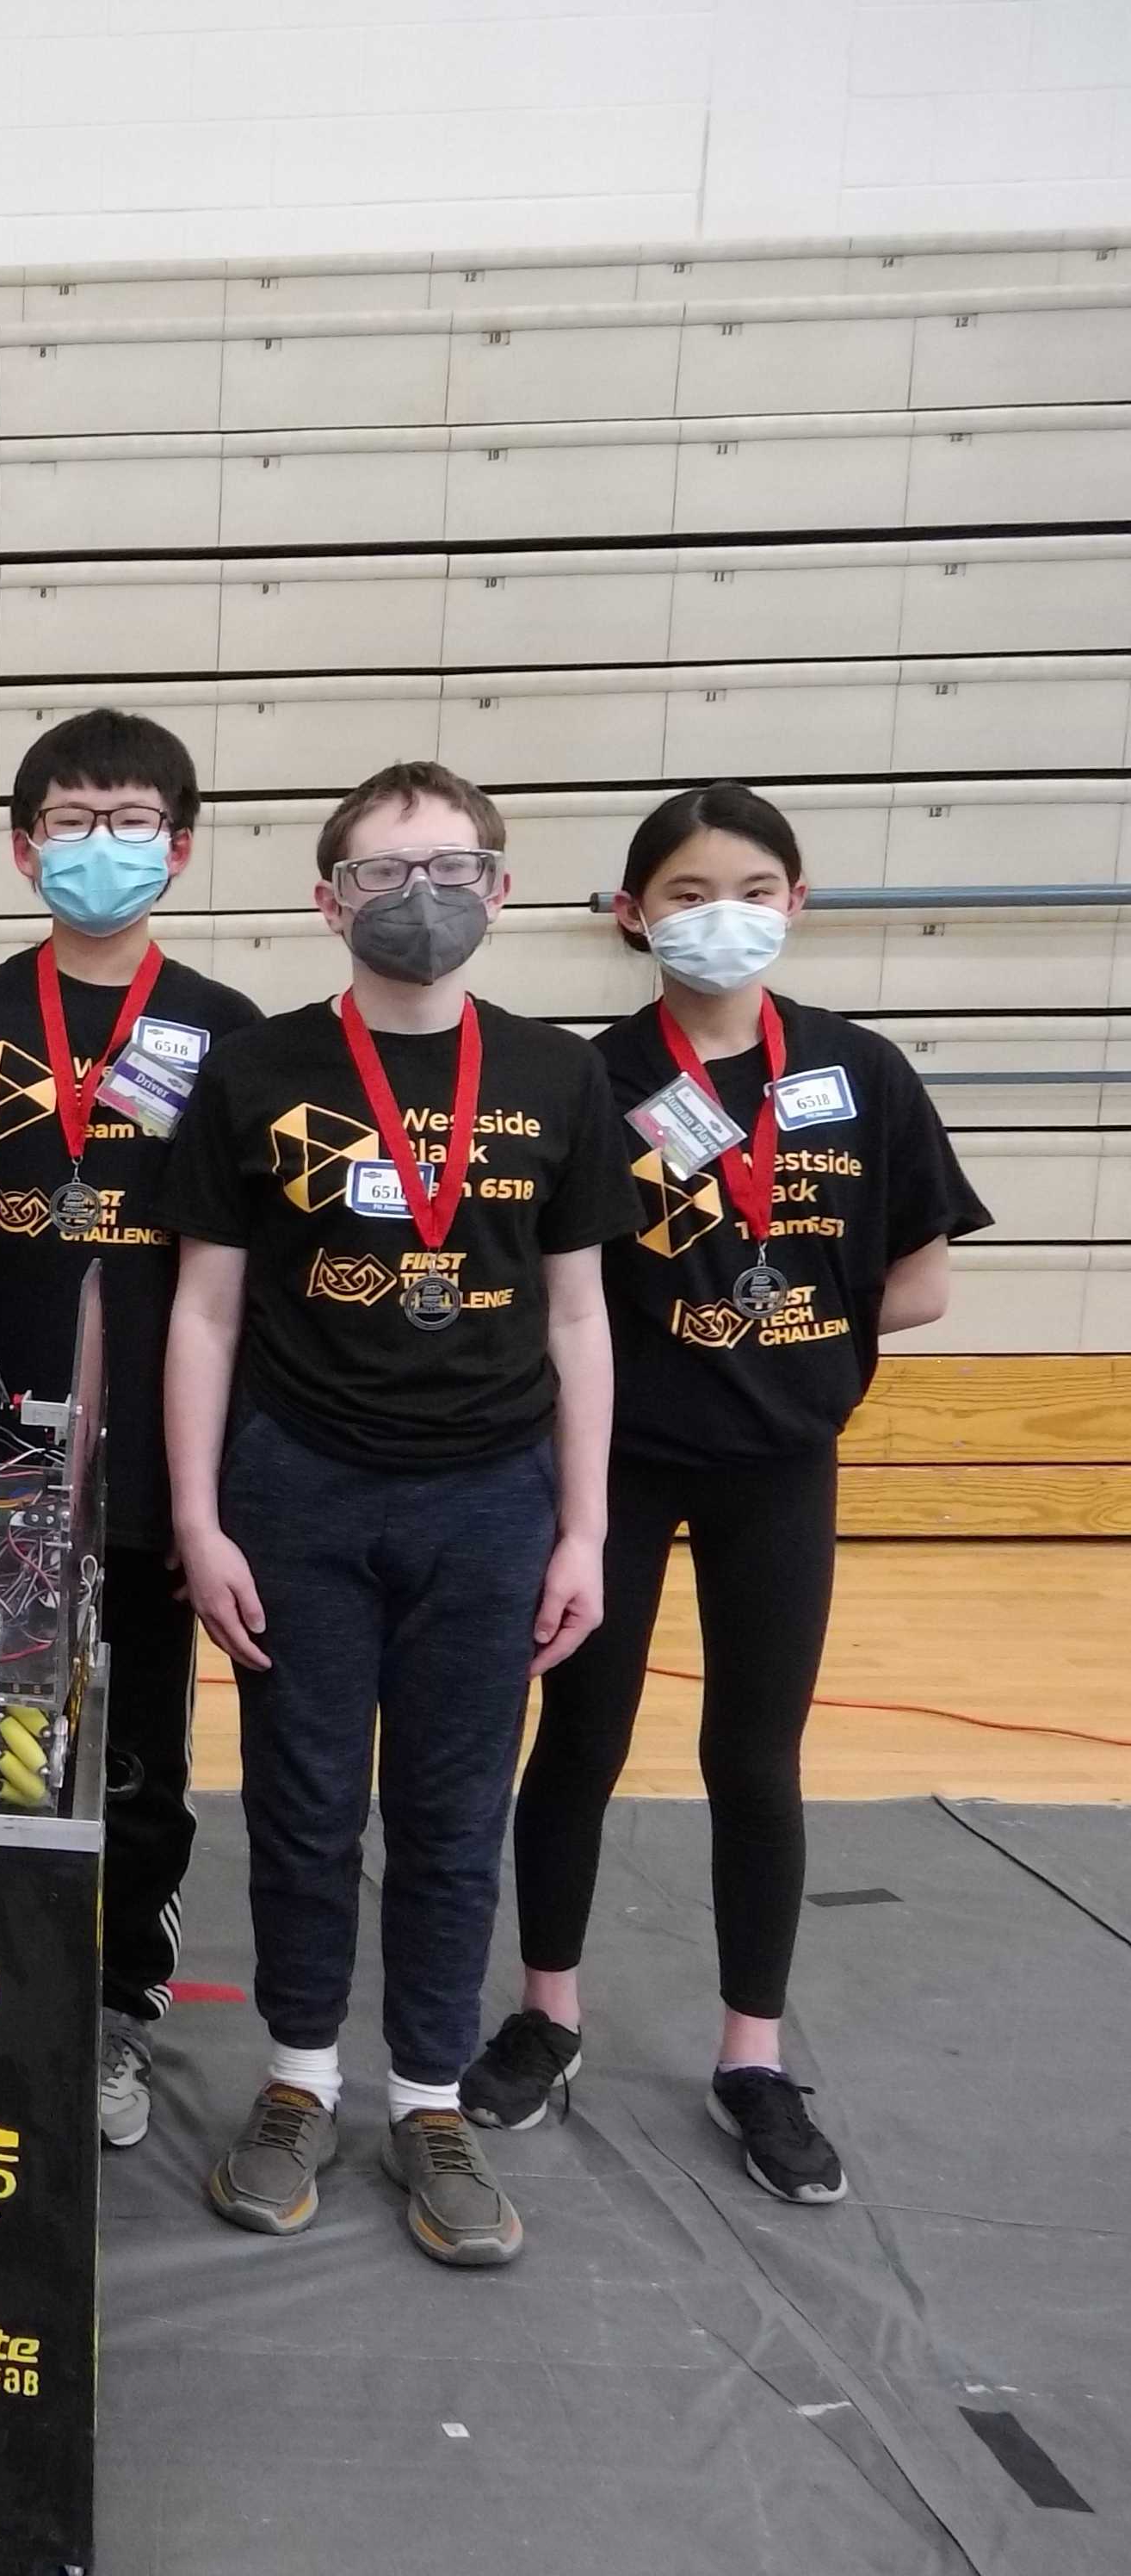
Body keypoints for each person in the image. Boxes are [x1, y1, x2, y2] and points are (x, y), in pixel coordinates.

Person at [470, 783, 989, 2201]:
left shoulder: (861, 1072)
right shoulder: (584, 1078)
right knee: (580, 1735)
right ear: (633, 913)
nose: (723, 915)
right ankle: (547, 2012)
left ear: (798, 901)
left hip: (782, 1462)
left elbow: (924, 1274)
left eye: (754, 886)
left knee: (755, 1758)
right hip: (617, 1462)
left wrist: (800, 1346)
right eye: (688, 891)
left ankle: (753, 2055)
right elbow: (545, 1288)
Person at [158, 759, 639, 2271]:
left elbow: (578, 1321)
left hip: (492, 1497)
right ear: (328, 897)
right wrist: (197, 1514)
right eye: (385, 868)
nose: (419, 894)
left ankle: (430, 2098)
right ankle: (300, 2076)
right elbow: (205, 1313)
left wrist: (583, 1528)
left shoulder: (562, 1075)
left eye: (452, 865)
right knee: (303, 1807)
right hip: (296, 1485)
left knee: (451, 1813)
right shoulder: (257, 1070)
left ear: (499, 887)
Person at [0, 710, 262, 2155]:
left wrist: (213, 1482)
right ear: (22, 841)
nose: (99, 843)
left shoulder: (234, 1034)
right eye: (72, 817)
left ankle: (118, 2008)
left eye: (129, 819)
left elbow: (242, 1282)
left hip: (157, 1460)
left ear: (175, 845)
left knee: (140, 1757)